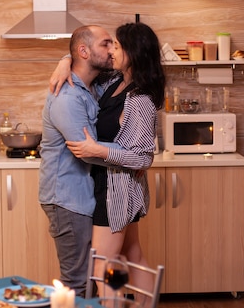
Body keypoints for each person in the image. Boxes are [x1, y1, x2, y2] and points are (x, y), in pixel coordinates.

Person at [52, 22, 165, 305]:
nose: (112, 50)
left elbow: (143, 156)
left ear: (132, 52)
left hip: (117, 190)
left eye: (116, 45)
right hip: (115, 184)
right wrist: (65, 61)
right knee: (133, 255)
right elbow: (84, 67)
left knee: (103, 265)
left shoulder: (139, 99)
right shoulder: (115, 82)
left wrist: (98, 150)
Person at [38, 24, 114, 297]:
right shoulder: (67, 96)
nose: (112, 50)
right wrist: (133, 157)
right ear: (84, 51)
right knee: (77, 283)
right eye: (106, 44)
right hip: (67, 199)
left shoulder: (90, 86)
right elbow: (88, 149)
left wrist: (65, 59)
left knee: (85, 280)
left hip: (78, 196)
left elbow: (130, 67)